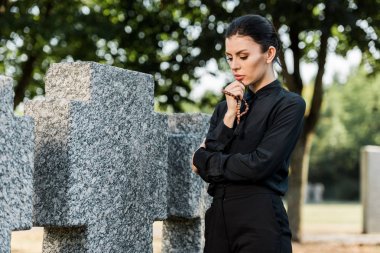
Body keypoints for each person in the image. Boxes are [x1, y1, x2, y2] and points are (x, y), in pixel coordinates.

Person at [192, 14, 305, 253]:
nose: (234, 65)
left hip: (260, 223)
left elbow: (259, 165)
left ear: (269, 54)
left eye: (243, 56)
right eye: (229, 57)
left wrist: (208, 162)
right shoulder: (224, 107)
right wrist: (230, 116)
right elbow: (199, 166)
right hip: (217, 222)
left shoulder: (289, 105)